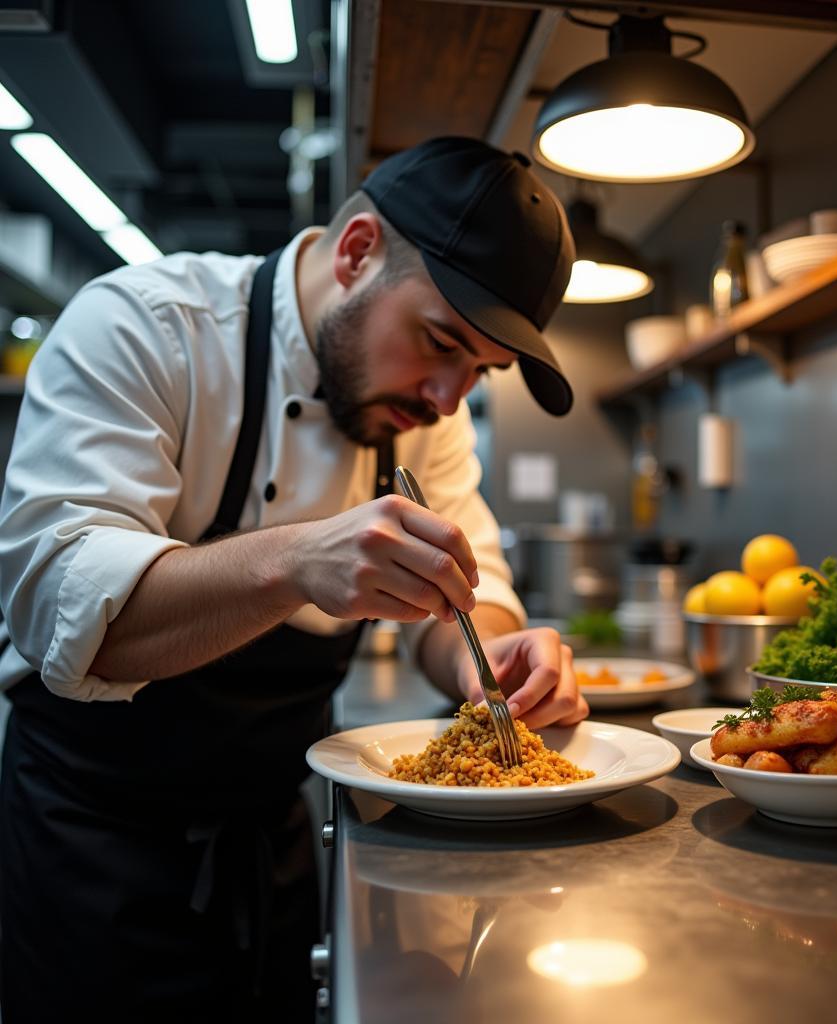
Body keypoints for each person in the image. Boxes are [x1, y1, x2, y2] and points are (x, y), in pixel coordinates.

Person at [0, 136, 587, 1023]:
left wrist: (492, 661)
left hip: (271, 839)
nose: (447, 396)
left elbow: (472, 585)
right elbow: (60, 612)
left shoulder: (422, 412)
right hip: (93, 841)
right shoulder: (146, 327)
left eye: (479, 372)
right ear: (356, 251)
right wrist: (295, 561)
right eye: (440, 343)